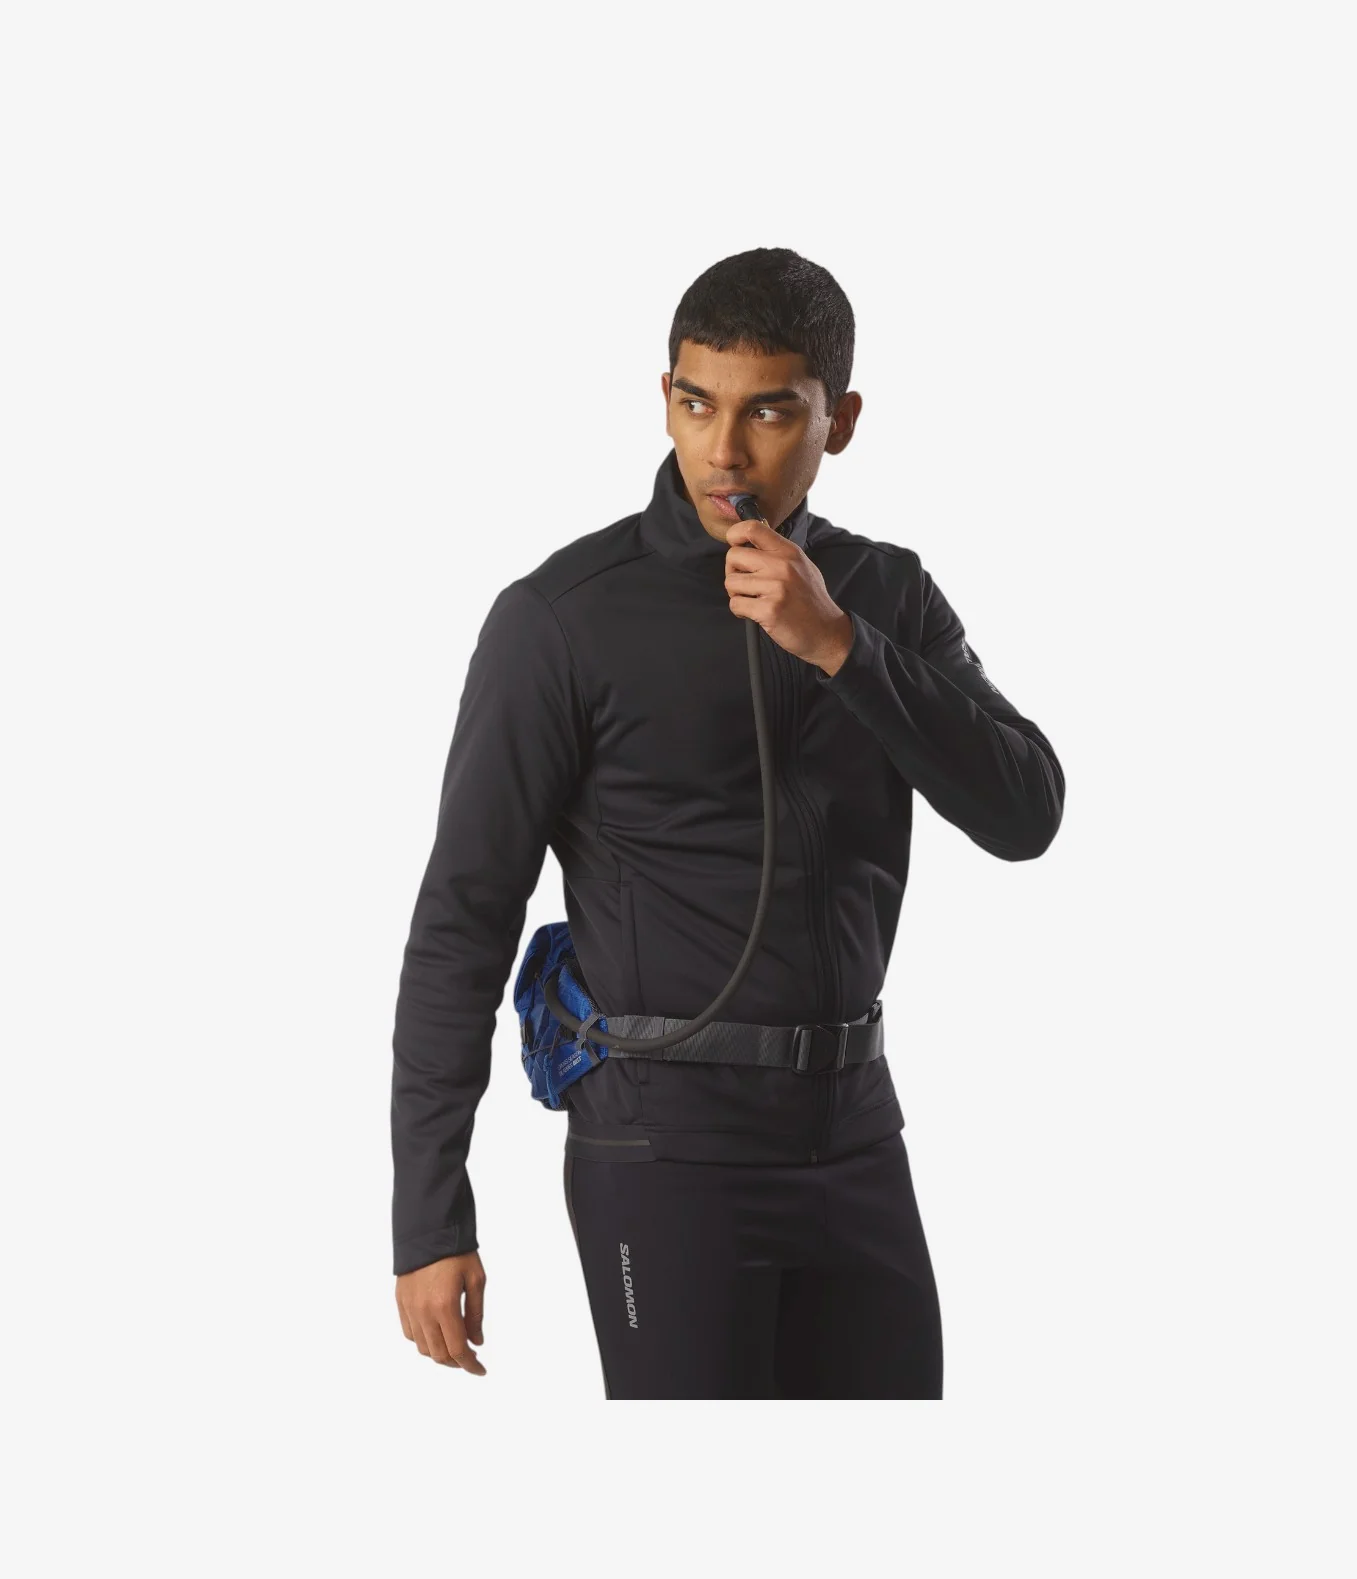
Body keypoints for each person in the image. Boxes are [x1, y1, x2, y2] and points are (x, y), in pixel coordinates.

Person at [390, 247, 1065, 1397]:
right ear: (665, 396)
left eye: (769, 411)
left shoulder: (885, 595)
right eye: (697, 404)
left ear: (839, 421)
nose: (722, 451)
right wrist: (428, 1215)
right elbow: (464, 914)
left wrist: (843, 648)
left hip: (856, 1135)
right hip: (664, 1151)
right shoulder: (561, 618)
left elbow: (1025, 811)